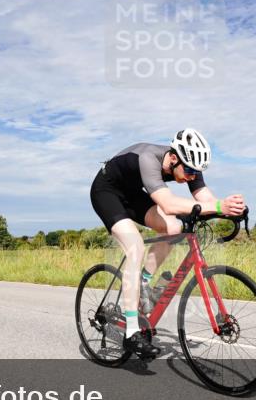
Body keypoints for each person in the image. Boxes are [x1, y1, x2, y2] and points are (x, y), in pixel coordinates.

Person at [89, 128, 246, 359]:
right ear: (173, 158)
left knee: (173, 228)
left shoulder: (189, 165)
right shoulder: (148, 159)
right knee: (135, 246)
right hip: (107, 191)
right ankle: (131, 332)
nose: (192, 176)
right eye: (189, 171)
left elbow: (206, 200)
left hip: (132, 194)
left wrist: (230, 209)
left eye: (197, 172)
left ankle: (143, 281)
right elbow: (169, 204)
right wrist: (218, 207)